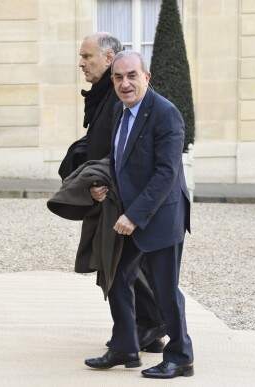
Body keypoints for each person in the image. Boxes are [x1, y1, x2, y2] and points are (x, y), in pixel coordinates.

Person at [85, 50, 194, 379]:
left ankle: (181, 356)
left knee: (164, 290)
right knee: (116, 277)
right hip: (129, 214)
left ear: (146, 77)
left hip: (160, 216)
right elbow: (121, 160)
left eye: (132, 75)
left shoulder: (166, 114)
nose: (124, 83)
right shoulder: (121, 110)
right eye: (118, 77)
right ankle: (124, 347)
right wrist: (102, 186)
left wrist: (133, 216)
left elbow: (166, 173)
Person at [76, 32, 166, 353]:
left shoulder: (120, 95)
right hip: (110, 193)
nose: (82, 63)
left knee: (118, 265)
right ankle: (146, 329)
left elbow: (135, 153)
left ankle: (149, 323)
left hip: (124, 198)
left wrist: (107, 185)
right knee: (120, 264)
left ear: (108, 58)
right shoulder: (104, 95)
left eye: (87, 56)